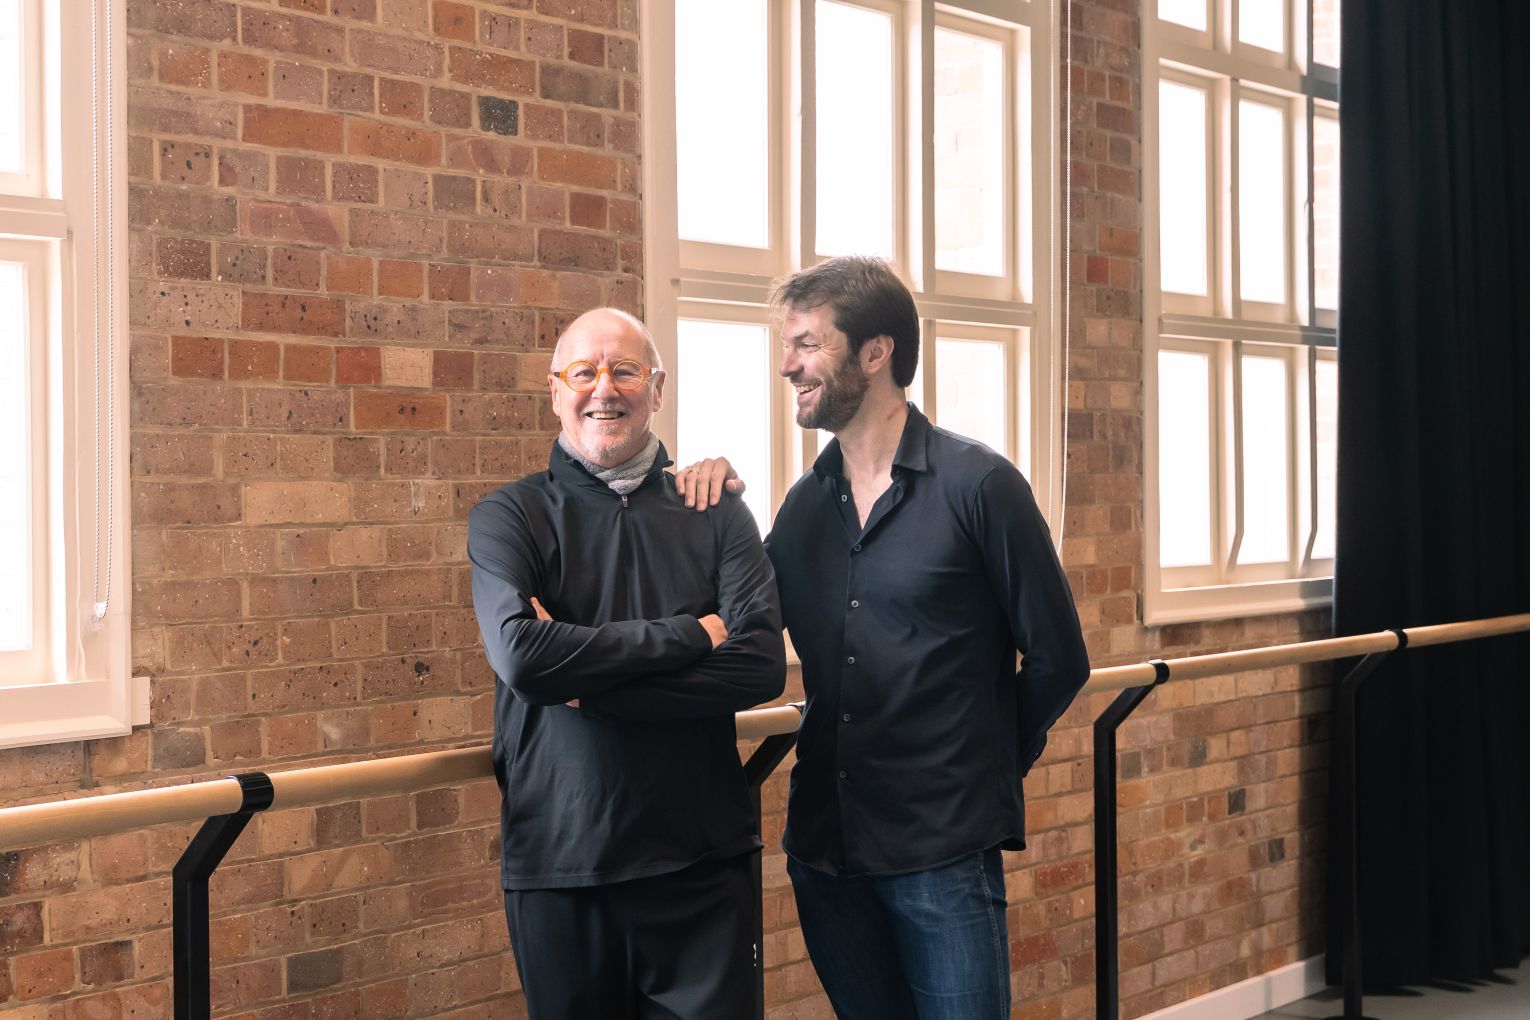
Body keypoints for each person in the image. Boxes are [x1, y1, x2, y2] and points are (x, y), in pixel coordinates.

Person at [677, 256, 1091, 1019]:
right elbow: (736, 622)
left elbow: (1061, 659)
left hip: (943, 850)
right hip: (827, 853)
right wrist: (713, 502)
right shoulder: (804, 508)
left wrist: (985, 765)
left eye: (806, 342)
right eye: (785, 343)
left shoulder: (980, 486)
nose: (786, 364)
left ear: (876, 353)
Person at [468, 307, 787, 1019]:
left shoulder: (716, 511)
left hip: (703, 863)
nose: (603, 389)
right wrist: (687, 635)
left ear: (658, 388)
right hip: (561, 865)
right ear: (556, 390)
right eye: (583, 372)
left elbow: (761, 664)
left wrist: (590, 689)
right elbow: (523, 655)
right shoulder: (509, 517)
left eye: (625, 370)